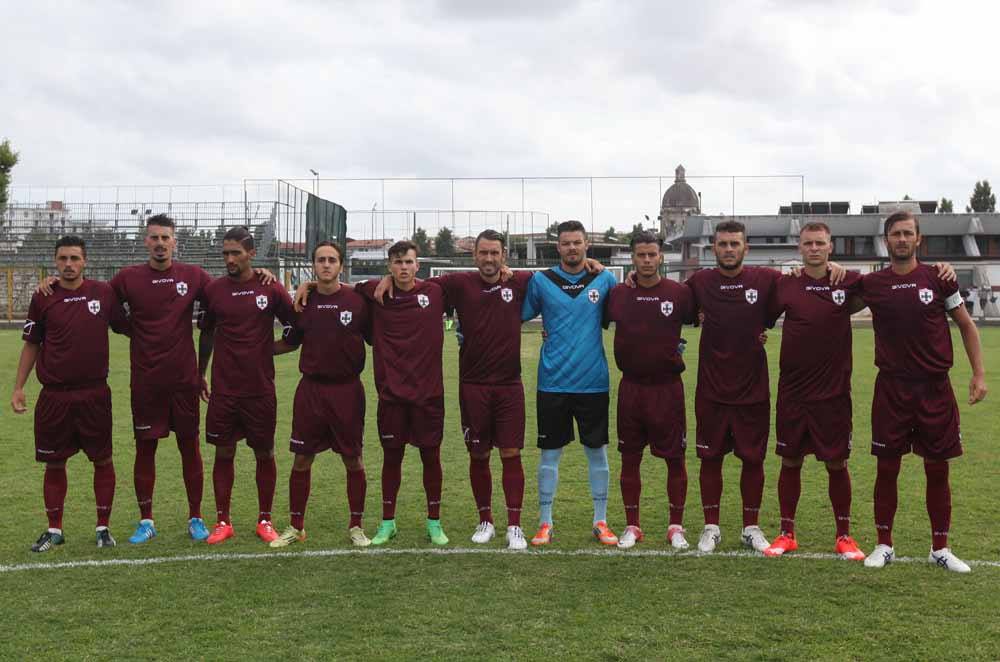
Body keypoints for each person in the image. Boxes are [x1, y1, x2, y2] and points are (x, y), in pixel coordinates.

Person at [36, 214, 274, 544]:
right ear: (145, 242)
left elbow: (230, 284)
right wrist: (51, 283)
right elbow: (97, 297)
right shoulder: (127, 279)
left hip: (184, 381)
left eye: (166, 238)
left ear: (175, 242)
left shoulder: (194, 276)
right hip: (146, 381)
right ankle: (146, 520)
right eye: (154, 238)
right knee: (145, 450)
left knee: (189, 448)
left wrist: (261, 272)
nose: (160, 243)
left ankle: (196, 517)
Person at [372, 230, 534, 549]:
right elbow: (413, 282)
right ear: (474, 256)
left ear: (504, 255)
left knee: (511, 453)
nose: (489, 258)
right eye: (483, 253)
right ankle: (485, 519)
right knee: (479, 453)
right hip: (472, 384)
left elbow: (560, 276)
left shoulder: (520, 280)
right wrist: (385, 278)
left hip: (510, 386)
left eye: (494, 253)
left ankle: (514, 525)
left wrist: (592, 267)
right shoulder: (457, 284)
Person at [860, 210, 987, 573]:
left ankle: (940, 548)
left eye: (908, 233)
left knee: (938, 470)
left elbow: (966, 326)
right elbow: (835, 300)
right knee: (887, 469)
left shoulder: (939, 278)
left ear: (918, 240)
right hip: (892, 390)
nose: (901, 239)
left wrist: (979, 375)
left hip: (934, 390)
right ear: (887, 240)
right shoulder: (872, 284)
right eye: (895, 234)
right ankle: (884, 544)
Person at [12, 236, 129, 551]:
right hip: (54, 396)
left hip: (94, 394)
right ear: (55, 261)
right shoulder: (43, 296)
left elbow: (129, 326)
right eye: (62, 258)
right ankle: (54, 529)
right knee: (54, 464)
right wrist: (19, 387)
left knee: (102, 460)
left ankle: (103, 528)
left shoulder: (103, 294)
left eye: (74, 258)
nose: (68, 264)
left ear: (85, 261)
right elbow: (32, 343)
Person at [761, 222, 867, 560]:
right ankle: (787, 532)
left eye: (820, 243)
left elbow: (878, 291)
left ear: (830, 246)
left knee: (836, 463)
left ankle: (844, 536)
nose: (814, 248)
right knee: (790, 461)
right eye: (808, 243)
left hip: (833, 393)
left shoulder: (848, 281)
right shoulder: (786, 284)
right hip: (793, 392)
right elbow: (760, 318)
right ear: (799, 247)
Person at [521, 220, 619, 546]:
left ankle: (601, 520)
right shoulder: (541, 280)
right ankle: (545, 522)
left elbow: (629, 315)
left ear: (586, 244)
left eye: (577, 242)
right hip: (552, 383)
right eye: (566, 243)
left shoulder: (604, 279)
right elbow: (512, 314)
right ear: (558, 247)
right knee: (549, 455)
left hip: (593, 382)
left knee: (597, 454)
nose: (572, 248)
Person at [686, 220, 780, 554]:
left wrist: (834, 266)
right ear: (714, 248)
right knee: (710, 459)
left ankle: (750, 527)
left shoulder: (766, 280)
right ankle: (711, 527)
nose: (729, 249)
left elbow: (804, 285)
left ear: (745, 248)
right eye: (723, 244)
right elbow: (663, 301)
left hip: (753, 389)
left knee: (753, 459)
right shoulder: (699, 282)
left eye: (734, 244)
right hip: (711, 389)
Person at [197, 227, 295, 545]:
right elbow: (207, 332)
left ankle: (264, 520)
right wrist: (201, 372)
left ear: (251, 253)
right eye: (225, 253)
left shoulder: (271, 288)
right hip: (225, 391)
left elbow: (297, 328)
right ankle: (223, 521)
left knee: (264, 453)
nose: (229, 259)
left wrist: (272, 349)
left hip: (260, 389)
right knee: (223, 453)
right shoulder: (214, 291)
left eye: (235, 252)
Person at [271, 242, 372, 547]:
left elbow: (378, 336)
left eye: (332, 260)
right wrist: (253, 351)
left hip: (347, 390)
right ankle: (296, 526)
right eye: (320, 260)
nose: (326, 265)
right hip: (311, 391)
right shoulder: (304, 302)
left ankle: (356, 526)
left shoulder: (358, 300)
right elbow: (291, 342)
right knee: (302, 459)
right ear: (313, 265)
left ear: (341, 265)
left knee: (353, 460)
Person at [357, 241, 450, 546]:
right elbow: (343, 286)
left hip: (428, 395)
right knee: (391, 458)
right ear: (389, 266)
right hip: (392, 396)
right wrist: (312, 283)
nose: (403, 268)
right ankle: (388, 523)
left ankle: (434, 523)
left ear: (417, 264)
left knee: (430, 457)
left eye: (408, 262)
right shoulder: (375, 293)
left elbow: (480, 280)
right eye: (397, 263)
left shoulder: (435, 292)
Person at [605, 231, 693, 550]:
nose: (646, 260)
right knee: (630, 458)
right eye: (640, 255)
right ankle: (633, 525)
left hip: (668, 389)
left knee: (675, 460)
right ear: (632, 257)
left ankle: (676, 526)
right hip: (631, 389)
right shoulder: (617, 294)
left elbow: (709, 318)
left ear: (660, 257)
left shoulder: (679, 293)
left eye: (651, 254)